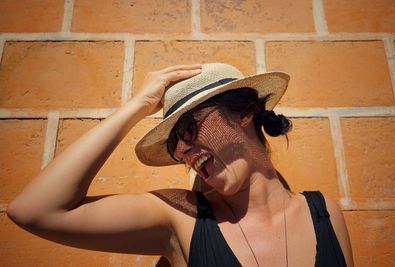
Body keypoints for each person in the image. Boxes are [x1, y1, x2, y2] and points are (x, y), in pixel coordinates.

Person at [7, 63, 354, 267]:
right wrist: (139, 104)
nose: (185, 149)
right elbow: (34, 210)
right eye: (176, 145)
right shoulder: (181, 218)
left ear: (245, 112)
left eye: (191, 128)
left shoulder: (324, 212)